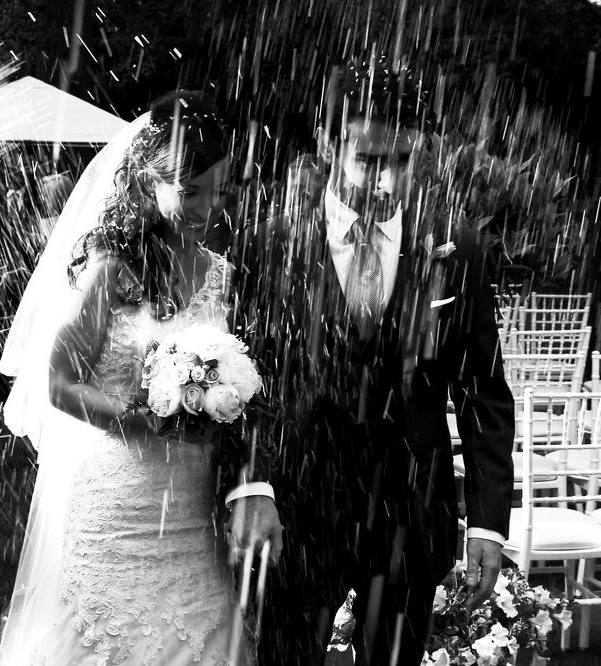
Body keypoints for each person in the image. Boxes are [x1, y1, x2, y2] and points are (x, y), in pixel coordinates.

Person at [224, 59, 515, 665]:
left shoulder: (456, 249)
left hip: (412, 515)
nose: (387, 182)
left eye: (402, 160)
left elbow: (483, 392)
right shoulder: (272, 241)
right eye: (370, 159)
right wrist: (251, 482)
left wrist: (488, 522)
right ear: (328, 142)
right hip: (302, 511)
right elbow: (243, 374)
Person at [0, 91, 251, 665]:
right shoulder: (113, 269)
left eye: (218, 192)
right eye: (189, 191)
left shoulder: (222, 276)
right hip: (116, 501)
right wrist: (134, 422)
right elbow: (58, 382)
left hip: (190, 504)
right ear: (147, 182)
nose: (206, 208)